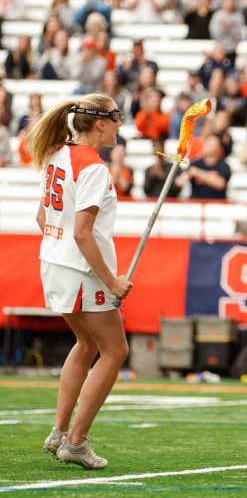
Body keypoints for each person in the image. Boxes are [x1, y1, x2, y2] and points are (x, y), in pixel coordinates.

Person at [31, 94, 133, 469]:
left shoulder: (57, 155)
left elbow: (43, 219)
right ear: (100, 124)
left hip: (54, 264)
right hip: (81, 271)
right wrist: (111, 280)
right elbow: (83, 233)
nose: (120, 125)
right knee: (115, 350)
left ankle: (60, 431)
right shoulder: (94, 167)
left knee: (87, 342)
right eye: (116, 118)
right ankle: (76, 441)